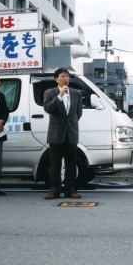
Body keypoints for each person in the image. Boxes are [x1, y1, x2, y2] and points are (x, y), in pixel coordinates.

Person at [43, 68, 83, 199]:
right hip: (56, 133)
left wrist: (71, 125)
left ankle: (70, 189)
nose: (66, 78)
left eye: (67, 76)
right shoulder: (49, 92)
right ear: (56, 79)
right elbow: (48, 108)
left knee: (71, 163)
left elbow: (78, 113)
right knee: (55, 164)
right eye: (62, 76)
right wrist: (60, 95)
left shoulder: (76, 93)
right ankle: (54, 190)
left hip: (71, 132)